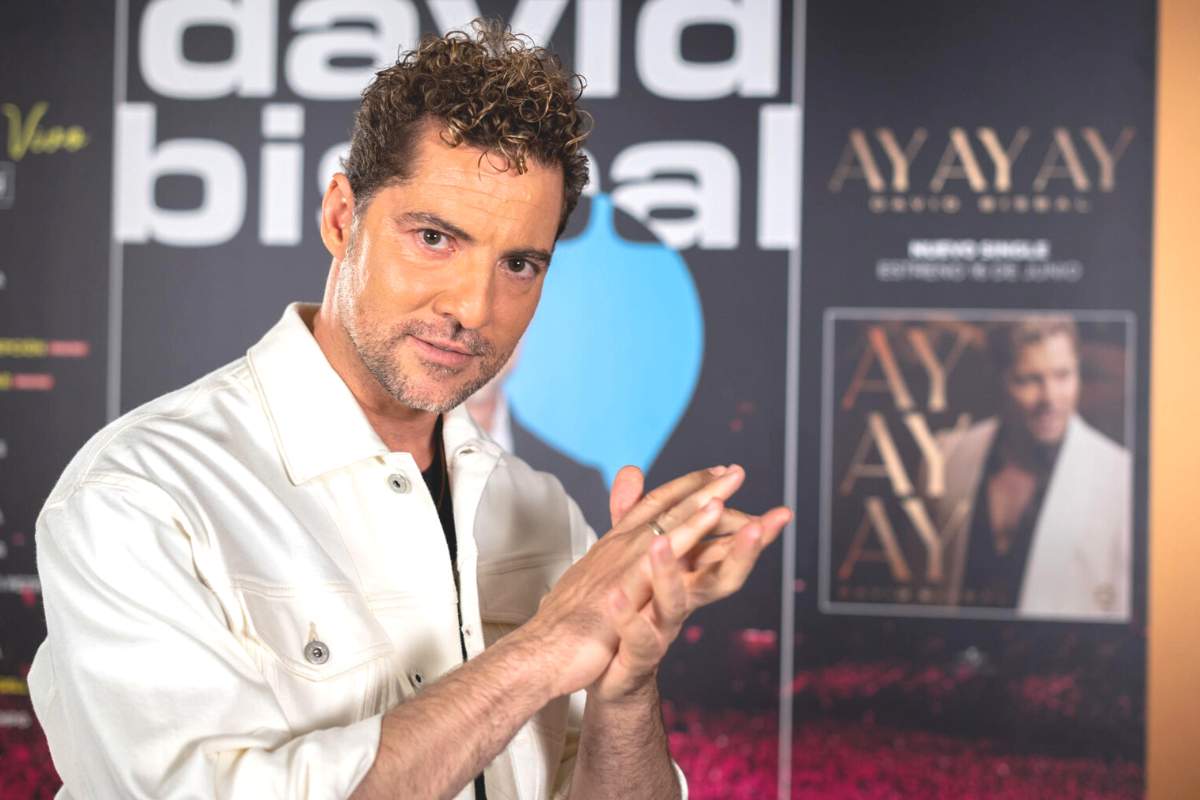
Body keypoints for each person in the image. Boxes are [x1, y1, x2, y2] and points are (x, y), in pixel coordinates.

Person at [26, 21, 791, 800]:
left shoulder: (544, 514)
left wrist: (625, 687)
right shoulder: (140, 495)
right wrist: (542, 652)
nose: (473, 307)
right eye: (433, 237)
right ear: (340, 218)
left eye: (518, 264)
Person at [930, 317, 1130, 620]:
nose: (1050, 398)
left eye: (1063, 375)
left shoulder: (1119, 477)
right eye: (1028, 380)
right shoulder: (947, 456)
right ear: (999, 380)